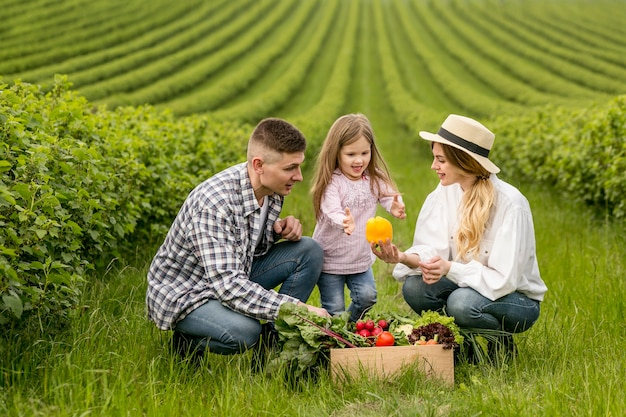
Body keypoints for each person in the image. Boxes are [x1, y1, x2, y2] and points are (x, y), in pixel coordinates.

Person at [146, 117, 329, 358]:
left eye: (298, 166)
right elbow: (229, 286)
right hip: (187, 293)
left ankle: (272, 346)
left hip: (228, 276)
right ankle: (187, 340)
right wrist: (298, 310)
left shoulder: (270, 191)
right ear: (258, 164)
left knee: (309, 250)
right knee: (244, 332)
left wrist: (276, 231)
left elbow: (248, 250)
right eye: (289, 168)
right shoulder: (215, 203)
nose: (298, 177)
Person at [371, 114, 548, 354]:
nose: (434, 167)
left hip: (516, 302)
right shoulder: (445, 193)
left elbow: (504, 281)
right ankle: (462, 347)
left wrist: (450, 269)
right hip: (468, 287)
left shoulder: (510, 204)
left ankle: (501, 344)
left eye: (440, 160)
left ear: (463, 162)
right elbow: (433, 254)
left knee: (462, 303)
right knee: (415, 288)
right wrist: (401, 257)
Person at [311, 113, 406, 322]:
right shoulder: (333, 183)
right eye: (351, 154)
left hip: (359, 258)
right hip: (331, 261)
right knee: (334, 309)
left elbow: (388, 194)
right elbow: (330, 208)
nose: (359, 160)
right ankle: (336, 340)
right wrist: (343, 221)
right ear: (337, 153)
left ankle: (350, 327)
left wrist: (395, 207)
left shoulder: (373, 178)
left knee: (367, 297)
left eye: (364, 152)